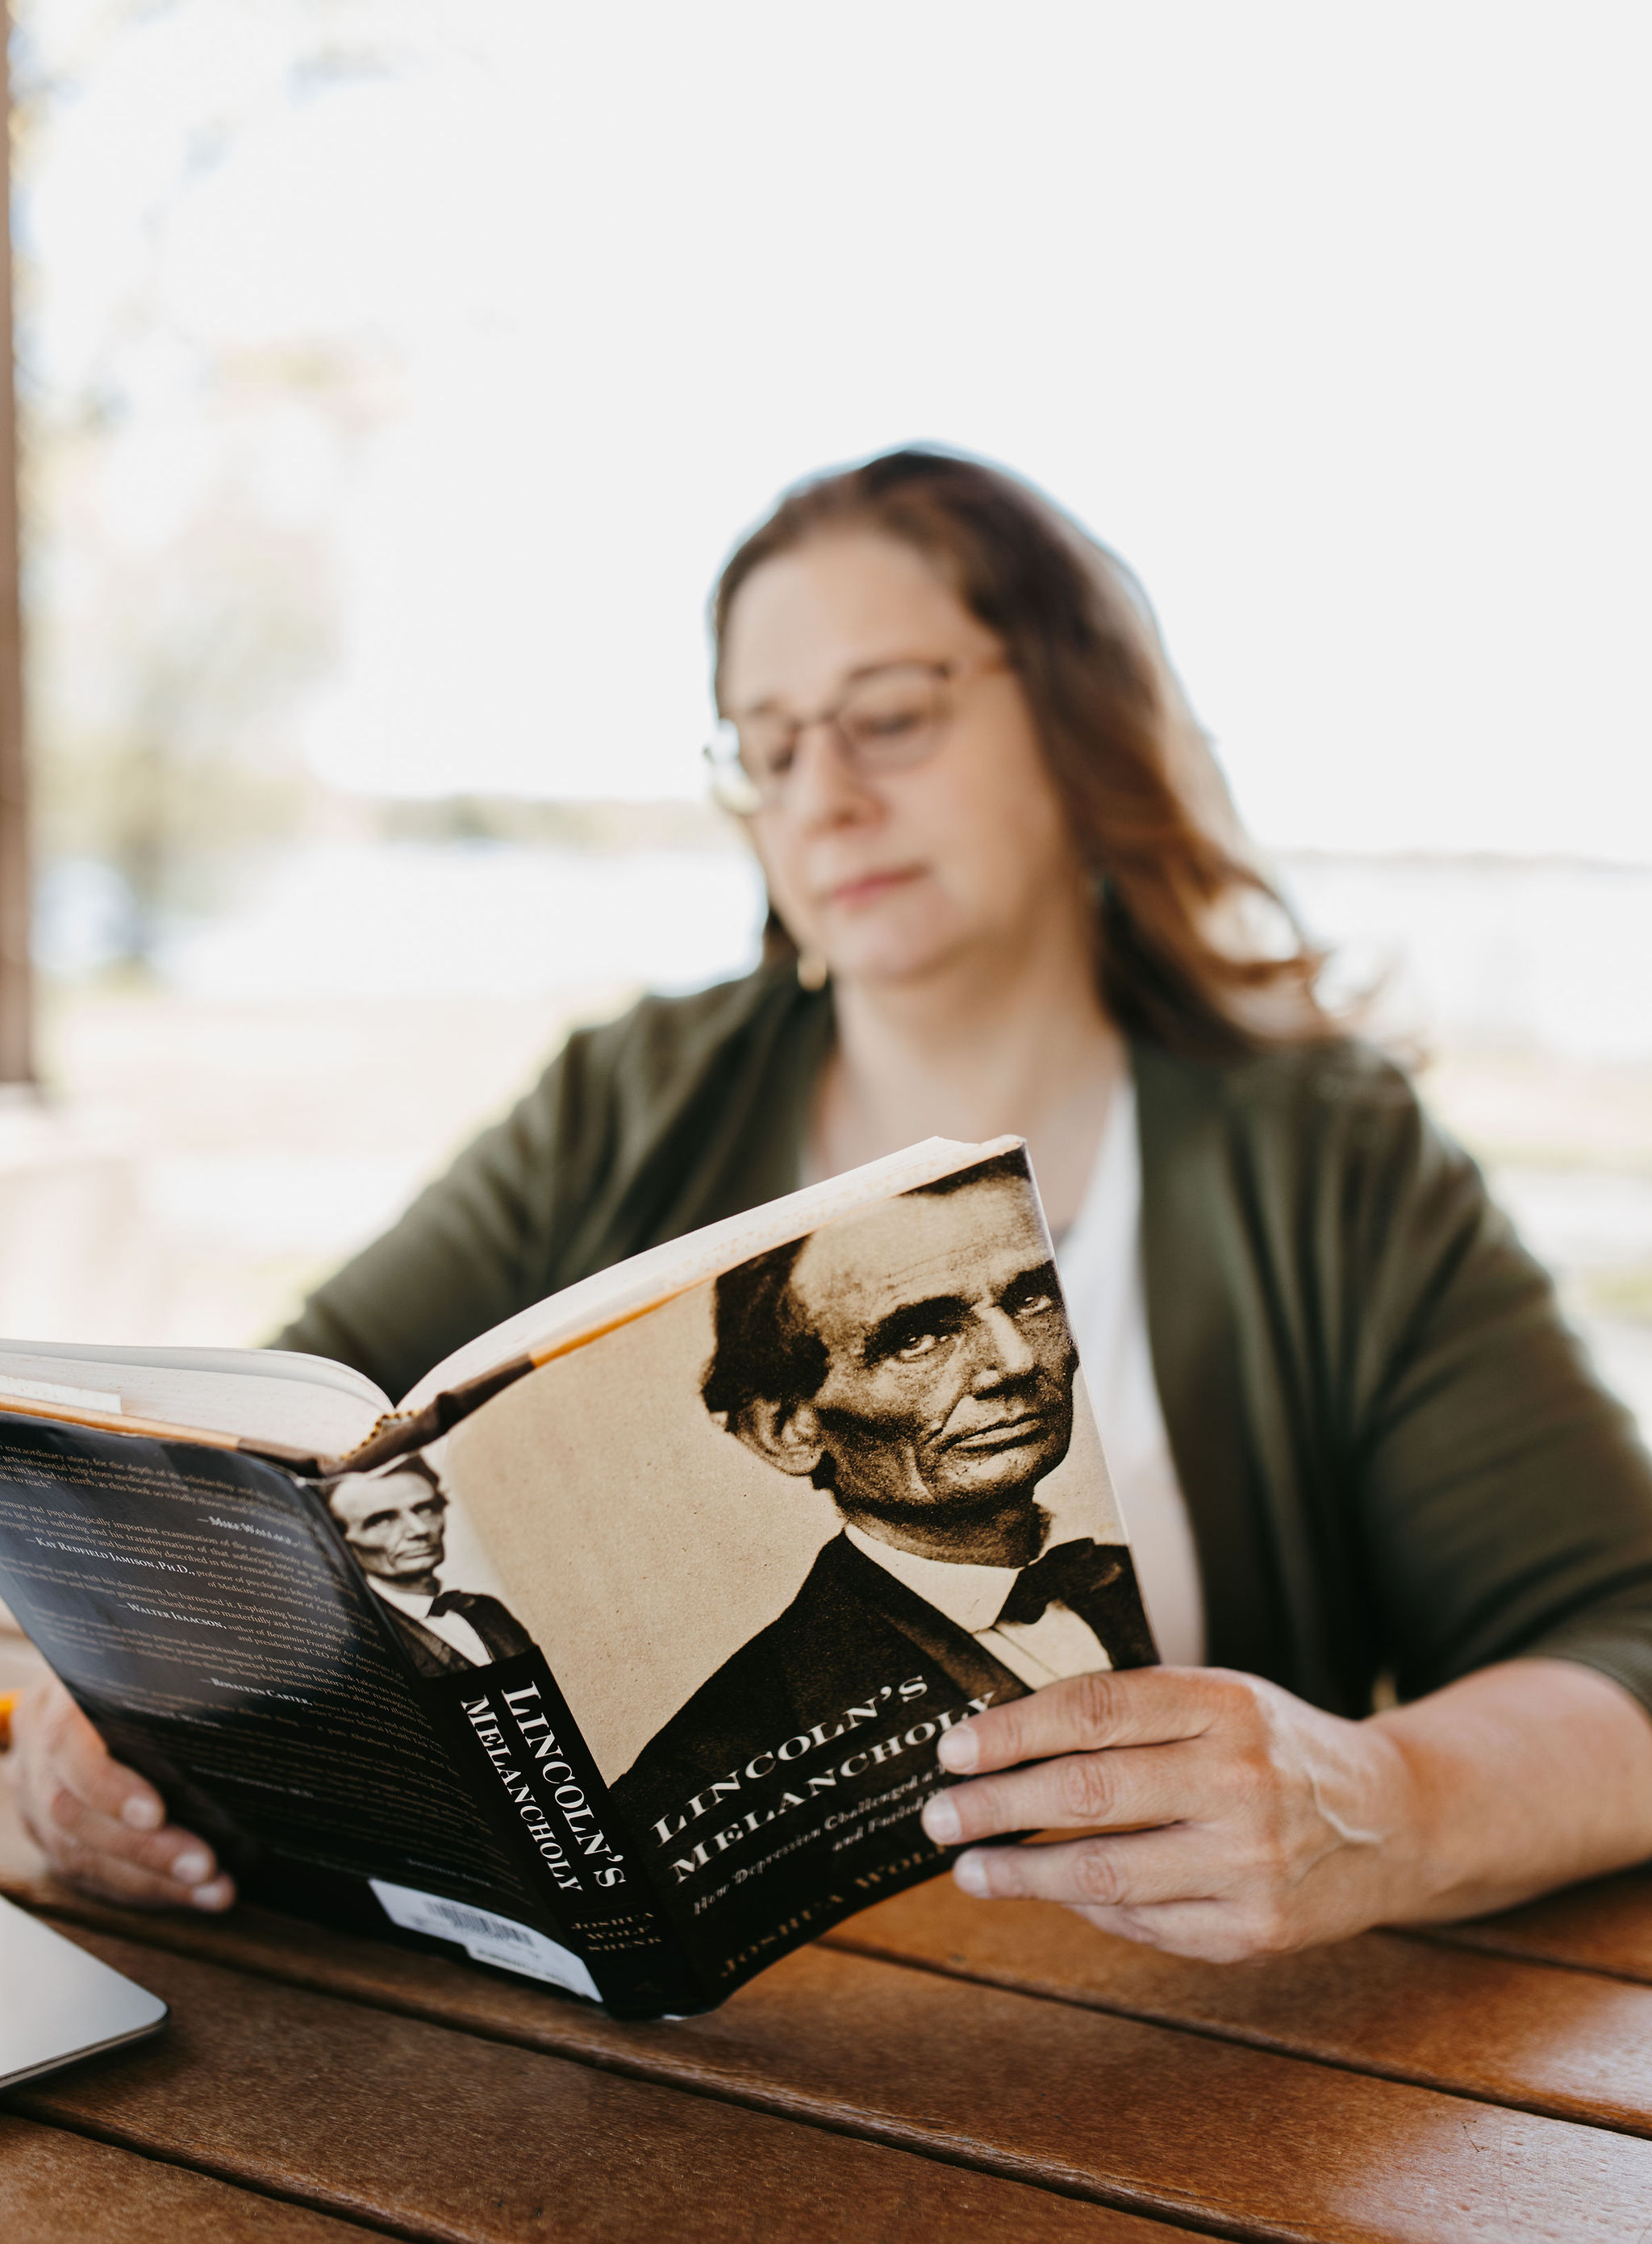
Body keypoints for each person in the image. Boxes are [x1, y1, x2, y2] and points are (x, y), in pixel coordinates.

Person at [15, 445, 1652, 1959]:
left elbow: (1625, 1634)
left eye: (889, 716)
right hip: (699, 2108)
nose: (823, 794)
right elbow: (267, 1482)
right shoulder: (628, 1100)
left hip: (1210, 2092)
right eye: (770, 744)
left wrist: (1378, 1798)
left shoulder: (1326, 1156)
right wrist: (116, 1722)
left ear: (1081, 720)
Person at [611, 1154, 1154, 1847]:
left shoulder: (1157, 1565)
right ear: (787, 1428)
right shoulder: (708, 1761)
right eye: (919, 1338)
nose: (1016, 1361)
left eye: (1033, 1298)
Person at [322, 1457, 540, 1676]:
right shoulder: (360, 1638)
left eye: (425, 1510)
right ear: (342, 1541)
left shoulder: (487, 1609)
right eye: (382, 1520)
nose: (419, 1529)